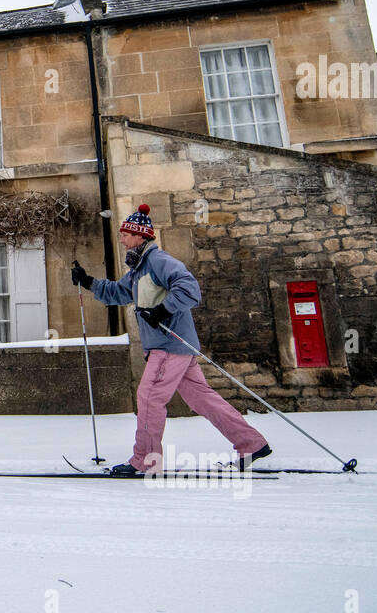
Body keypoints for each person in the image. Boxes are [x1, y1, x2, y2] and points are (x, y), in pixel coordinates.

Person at [71, 204, 271, 477]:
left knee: (150, 397)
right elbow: (119, 292)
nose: (121, 239)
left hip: (168, 346)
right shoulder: (139, 269)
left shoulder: (159, 261)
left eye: (125, 234)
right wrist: (88, 282)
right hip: (175, 348)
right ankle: (252, 444)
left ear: (140, 236)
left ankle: (144, 460)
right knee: (203, 400)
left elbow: (189, 288)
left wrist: (163, 310)